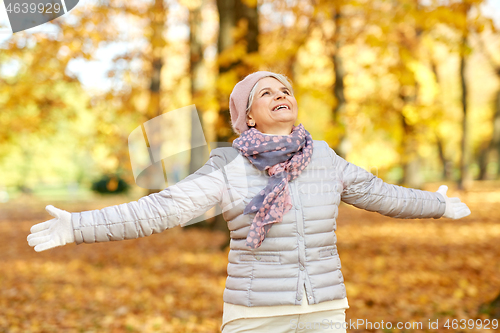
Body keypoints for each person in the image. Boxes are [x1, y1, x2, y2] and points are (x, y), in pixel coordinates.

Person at [27, 71, 471, 333]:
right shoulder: (229, 165)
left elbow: (380, 194)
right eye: (266, 93)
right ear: (247, 117)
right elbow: (160, 209)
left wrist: (436, 204)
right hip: (255, 316)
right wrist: (77, 226)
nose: (281, 95)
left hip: (325, 312)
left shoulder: (325, 159)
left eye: (285, 91)